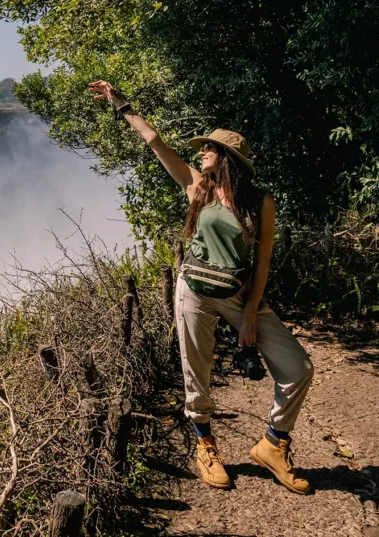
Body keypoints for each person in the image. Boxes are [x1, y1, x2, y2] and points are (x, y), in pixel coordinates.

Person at [88, 80, 314, 495]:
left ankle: (273, 444)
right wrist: (121, 103)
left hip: (238, 294)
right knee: (198, 372)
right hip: (192, 288)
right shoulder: (197, 188)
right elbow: (154, 141)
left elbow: (262, 262)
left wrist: (249, 314)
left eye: (209, 148)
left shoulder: (260, 202)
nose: (201, 152)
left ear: (226, 158)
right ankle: (205, 444)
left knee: (298, 368)